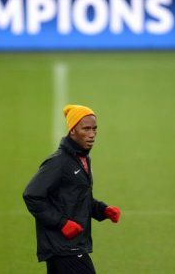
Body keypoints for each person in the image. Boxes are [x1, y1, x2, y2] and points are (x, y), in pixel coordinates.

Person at [23, 104, 121, 274]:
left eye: (94, 129)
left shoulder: (82, 159)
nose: (92, 134)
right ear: (72, 130)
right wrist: (62, 223)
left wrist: (102, 210)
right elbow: (32, 195)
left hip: (69, 247)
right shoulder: (59, 162)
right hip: (65, 247)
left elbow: (77, 198)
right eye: (86, 129)